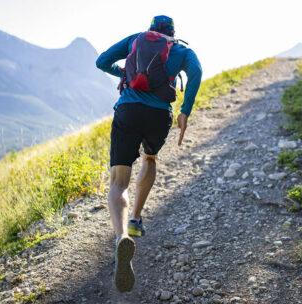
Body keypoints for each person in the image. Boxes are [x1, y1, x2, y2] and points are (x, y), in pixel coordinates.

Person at [95, 15, 202, 292]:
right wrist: (185, 111)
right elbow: (197, 72)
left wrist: (125, 74)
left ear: (151, 30)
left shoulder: (134, 40)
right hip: (158, 116)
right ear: (173, 34)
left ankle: (121, 238)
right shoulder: (181, 51)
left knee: (119, 182)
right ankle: (136, 220)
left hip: (128, 110)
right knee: (150, 158)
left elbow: (101, 61)